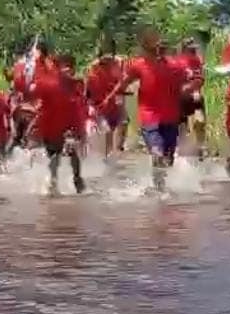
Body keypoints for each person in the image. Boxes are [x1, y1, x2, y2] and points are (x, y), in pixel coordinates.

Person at [104, 25, 183, 191]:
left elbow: (191, 81)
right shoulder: (138, 66)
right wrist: (109, 98)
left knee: (168, 159)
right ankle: (159, 190)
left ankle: (162, 185)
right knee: (157, 153)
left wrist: (190, 90)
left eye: (158, 46)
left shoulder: (174, 66)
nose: (156, 50)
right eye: (151, 47)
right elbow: (123, 83)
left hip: (171, 118)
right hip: (150, 118)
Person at [31, 53, 86, 196]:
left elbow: (79, 105)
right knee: (56, 155)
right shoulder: (49, 82)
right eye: (64, 67)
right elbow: (37, 100)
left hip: (65, 123)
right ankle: (55, 182)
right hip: (53, 124)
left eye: (70, 67)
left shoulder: (74, 84)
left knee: (69, 151)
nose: (67, 70)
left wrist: (80, 130)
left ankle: (73, 179)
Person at [84, 37, 126, 158]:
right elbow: (88, 89)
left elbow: (124, 81)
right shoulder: (94, 67)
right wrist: (90, 103)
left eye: (109, 50)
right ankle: (107, 155)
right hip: (100, 105)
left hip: (116, 103)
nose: (107, 57)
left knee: (123, 123)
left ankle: (117, 150)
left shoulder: (120, 63)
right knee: (106, 130)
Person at [175, 37, 206, 159]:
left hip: (195, 95)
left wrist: (195, 89)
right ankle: (181, 148)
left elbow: (200, 78)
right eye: (190, 49)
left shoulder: (197, 60)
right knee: (181, 123)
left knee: (200, 120)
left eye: (194, 49)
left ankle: (200, 146)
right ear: (184, 49)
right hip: (181, 96)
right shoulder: (178, 62)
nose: (193, 51)